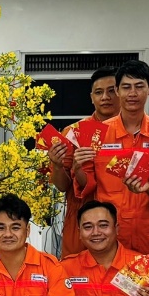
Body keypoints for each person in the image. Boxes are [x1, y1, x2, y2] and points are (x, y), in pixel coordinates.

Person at [71, 60, 149, 257]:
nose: (132, 93)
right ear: (117, 91)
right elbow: (88, 186)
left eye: (139, 86)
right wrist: (78, 166)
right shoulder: (97, 133)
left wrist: (148, 188)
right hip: (110, 236)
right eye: (126, 87)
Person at [46, 66, 119, 257]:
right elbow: (62, 186)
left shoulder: (129, 132)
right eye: (99, 92)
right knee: (76, 276)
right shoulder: (73, 132)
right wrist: (56, 164)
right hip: (81, 217)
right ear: (91, 97)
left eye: (112, 91)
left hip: (121, 220)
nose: (105, 97)